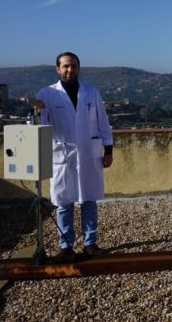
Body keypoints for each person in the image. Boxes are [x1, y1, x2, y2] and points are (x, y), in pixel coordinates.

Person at [36, 52, 113, 256]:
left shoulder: (91, 92)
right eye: (65, 66)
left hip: (89, 154)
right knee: (63, 201)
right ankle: (65, 246)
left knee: (89, 199)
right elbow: (41, 124)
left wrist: (109, 149)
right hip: (62, 155)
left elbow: (102, 122)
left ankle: (90, 243)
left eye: (73, 66)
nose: (70, 70)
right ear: (58, 69)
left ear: (79, 68)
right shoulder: (47, 94)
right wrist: (34, 115)